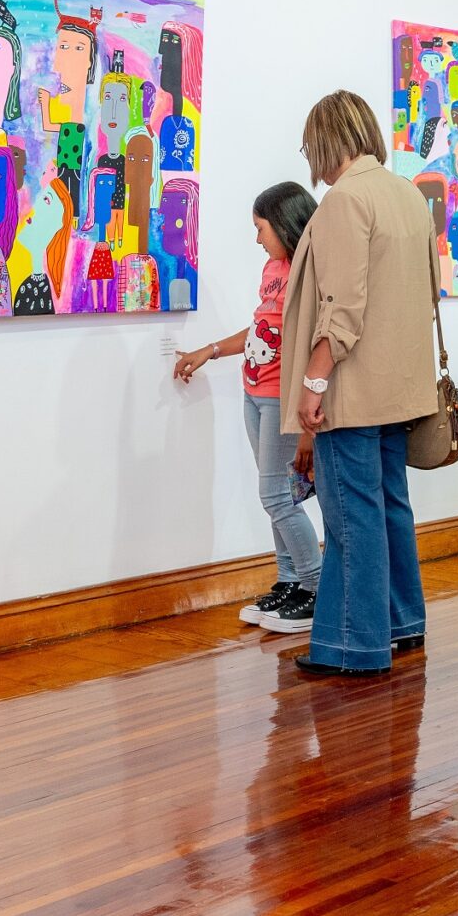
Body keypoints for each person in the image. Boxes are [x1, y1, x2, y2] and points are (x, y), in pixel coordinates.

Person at [279, 93, 439, 676]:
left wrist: (312, 384)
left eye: (309, 146)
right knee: (390, 504)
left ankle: (353, 643)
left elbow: (340, 309)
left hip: (352, 388)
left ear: (325, 141)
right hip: (400, 386)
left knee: (351, 517)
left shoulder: (346, 200)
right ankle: (400, 622)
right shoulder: (406, 194)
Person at [176, 182, 324, 635]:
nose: (256, 237)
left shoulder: (313, 269)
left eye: (260, 228)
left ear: (284, 225)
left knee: (276, 496)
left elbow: (319, 343)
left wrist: (308, 428)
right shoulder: (272, 268)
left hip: (284, 398)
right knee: (278, 494)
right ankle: (289, 581)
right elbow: (263, 329)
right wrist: (212, 349)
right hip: (254, 392)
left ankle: (317, 589)